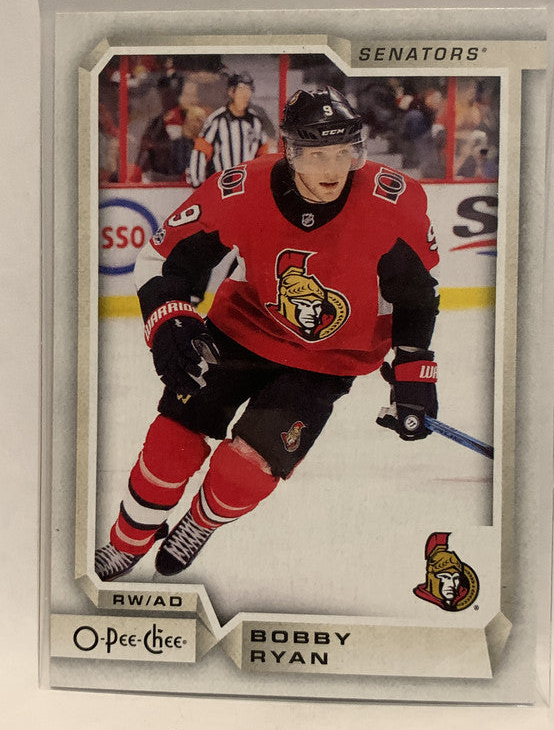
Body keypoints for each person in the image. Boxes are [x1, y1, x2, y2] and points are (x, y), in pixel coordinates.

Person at [94, 86, 440, 583]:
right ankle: (128, 538)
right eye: (317, 154)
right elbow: (165, 258)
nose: (333, 169)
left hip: (330, 359)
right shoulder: (242, 190)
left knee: (243, 471)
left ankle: (200, 522)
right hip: (242, 329)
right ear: (291, 151)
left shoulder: (391, 202)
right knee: (170, 444)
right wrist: (171, 320)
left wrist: (415, 374)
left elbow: (416, 296)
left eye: (343, 152)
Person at [188, 72, 271, 187]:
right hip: (222, 187)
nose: (246, 94)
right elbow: (200, 151)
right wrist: (197, 183)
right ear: (231, 92)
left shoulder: (255, 121)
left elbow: (263, 156)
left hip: (248, 187)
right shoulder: (217, 120)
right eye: (241, 89)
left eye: (249, 90)